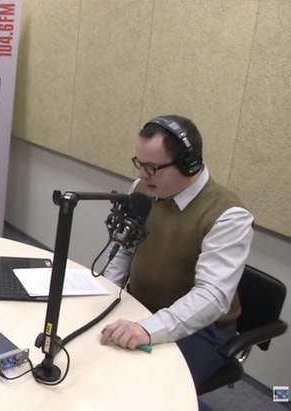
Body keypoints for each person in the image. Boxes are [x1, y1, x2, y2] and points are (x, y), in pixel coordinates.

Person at [99, 115, 254, 390]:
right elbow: (123, 251)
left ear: (188, 163)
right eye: (139, 164)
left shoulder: (228, 215)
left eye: (152, 168)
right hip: (140, 306)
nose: (141, 176)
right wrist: (106, 296)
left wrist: (148, 328)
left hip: (203, 329)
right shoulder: (144, 190)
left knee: (144, 389)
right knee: (93, 358)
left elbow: (212, 296)